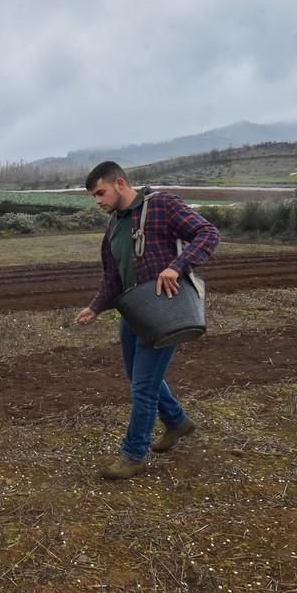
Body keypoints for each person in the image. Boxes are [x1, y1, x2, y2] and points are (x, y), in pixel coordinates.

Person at [75, 161, 220, 480]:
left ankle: (134, 453)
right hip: (134, 311)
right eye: (94, 197)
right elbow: (112, 276)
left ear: (121, 184)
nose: (98, 201)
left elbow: (207, 234)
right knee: (137, 376)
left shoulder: (162, 205)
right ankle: (177, 422)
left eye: (101, 193)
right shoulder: (113, 225)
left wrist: (177, 266)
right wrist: (96, 307)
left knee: (143, 385)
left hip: (166, 311)